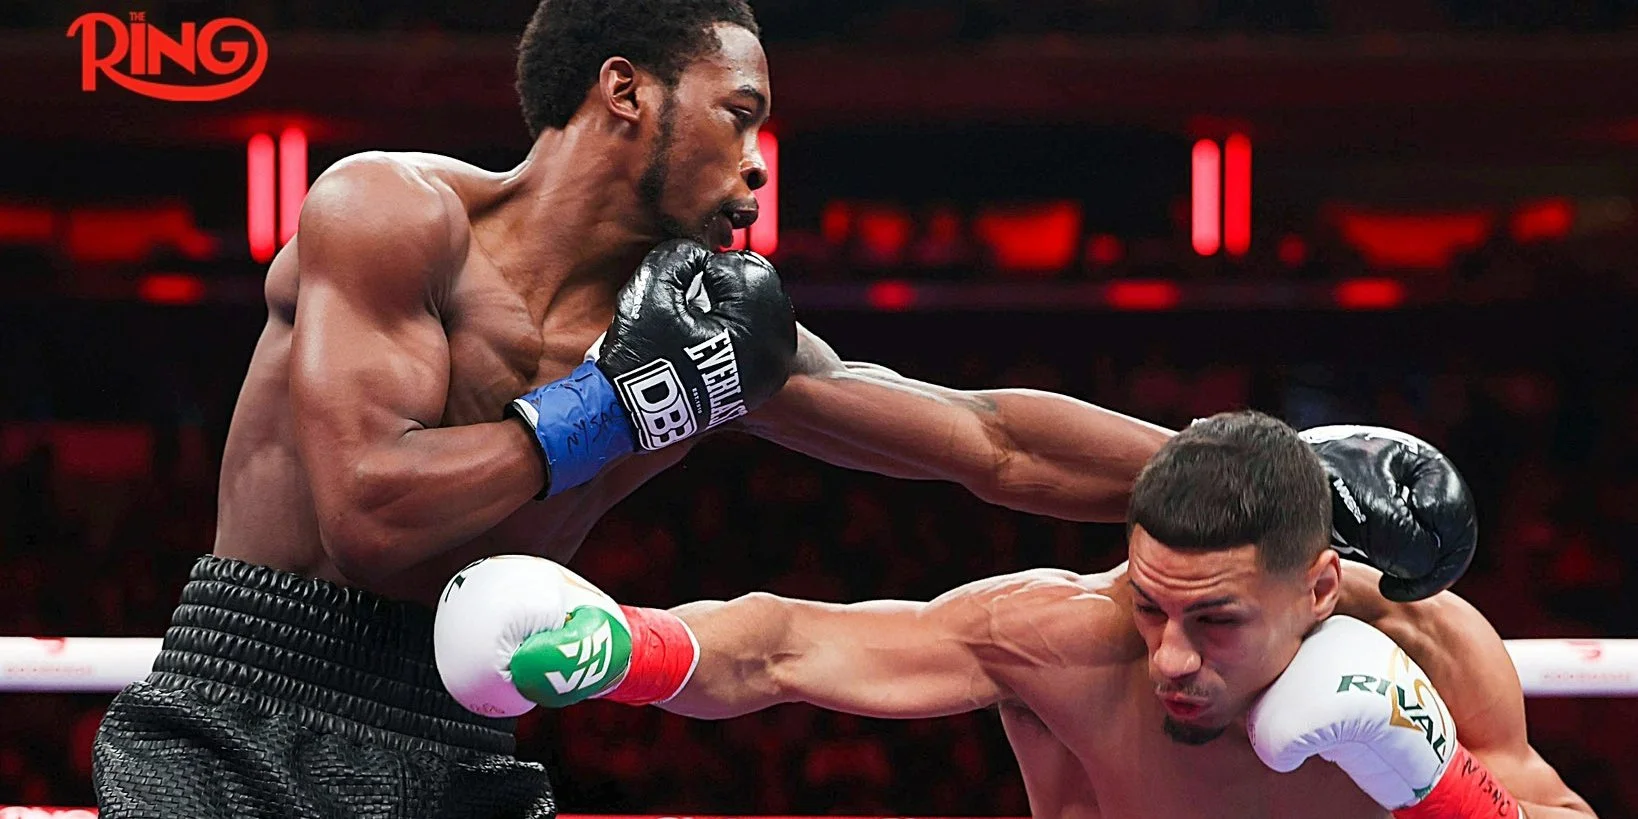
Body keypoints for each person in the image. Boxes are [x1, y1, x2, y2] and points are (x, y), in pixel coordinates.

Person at [91, 0, 1474, 815]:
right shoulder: (392, 214)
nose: (760, 162)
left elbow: (985, 440)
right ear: (625, 93)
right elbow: (370, 513)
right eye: (738, 114)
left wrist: (1271, 477)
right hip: (247, 705)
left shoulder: (712, 337)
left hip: (458, 733)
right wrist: (613, 407)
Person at [440, 411, 1596, 819]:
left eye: (1217, 623)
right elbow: (790, 645)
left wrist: (1431, 779)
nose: (1171, 657)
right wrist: (628, 649)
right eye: (1151, 604)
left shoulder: (1428, 650)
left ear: (1322, 588)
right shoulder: (1062, 635)